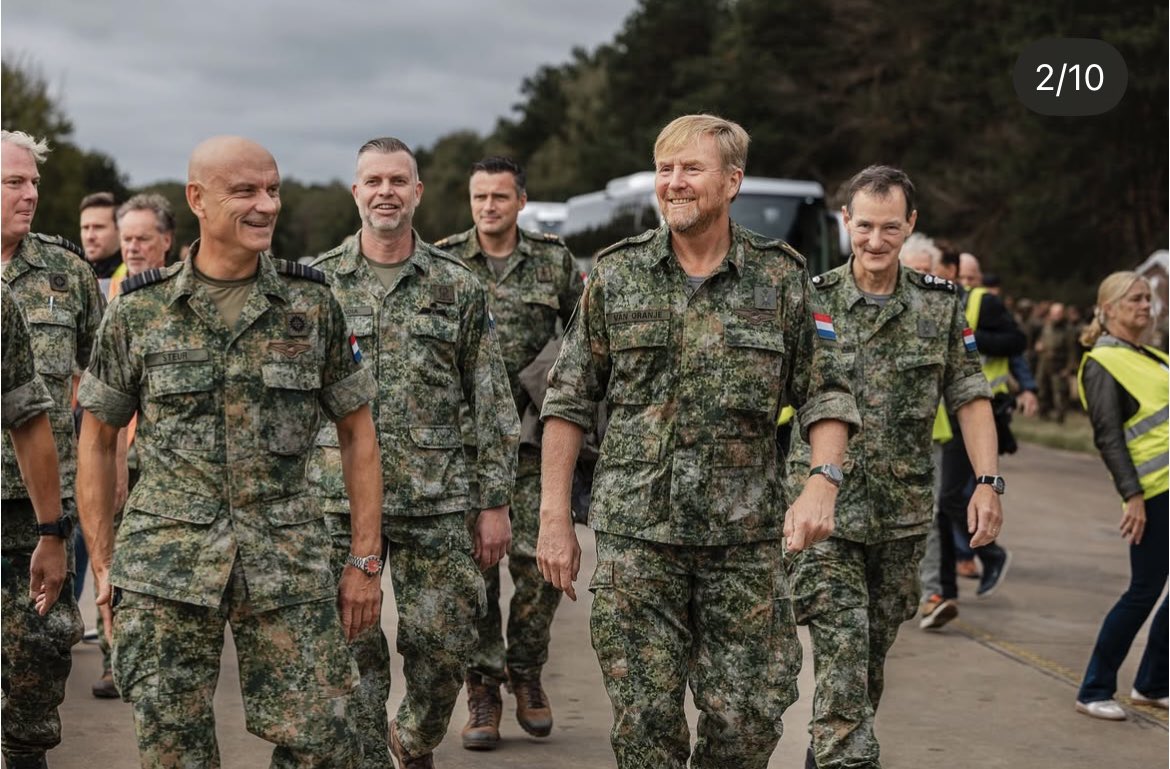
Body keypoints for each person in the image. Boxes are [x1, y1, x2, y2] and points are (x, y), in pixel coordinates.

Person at [536, 114, 859, 769]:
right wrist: (552, 517)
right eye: (665, 169)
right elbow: (569, 399)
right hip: (637, 545)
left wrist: (821, 482)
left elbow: (827, 393)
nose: (673, 183)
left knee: (748, 720)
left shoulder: (781, 278)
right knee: (646, 727)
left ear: (732, 181)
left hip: (742, 545)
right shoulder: (617, 275)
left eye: (691, 169)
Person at [76, 136, 384, 768]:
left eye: (272, 189)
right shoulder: (139, 310)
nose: (265, 205)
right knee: (172, 747)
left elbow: (358, 433)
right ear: (198, 199)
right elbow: (98, 437)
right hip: (167, 566)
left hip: (287, 559)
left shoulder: (311, 303)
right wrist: (104, 564)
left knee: (324, 740)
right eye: (244, 191)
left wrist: (364, 559)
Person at [310, 137, 520, 769]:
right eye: (373, 181)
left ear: (419, 192)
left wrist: (496, 503)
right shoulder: (317, 284)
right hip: (337, 500)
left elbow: (491, 401)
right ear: (355, 192)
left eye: (398, 181)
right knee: (351, 648)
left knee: (446, 644)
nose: (385, 192)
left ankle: (413, 737)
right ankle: (373, 755)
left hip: (436, 497)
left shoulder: (457, 285)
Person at [786, 166, 1001, 769]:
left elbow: (969, 394)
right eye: (863, 226)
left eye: (888, 228)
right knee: (843, 645)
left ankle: (827, 754)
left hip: (901, 516)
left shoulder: (939, 306)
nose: (874, 241)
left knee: (868, 664)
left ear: (910, 225)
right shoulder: (812, 299)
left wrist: (988, 483)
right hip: (823, 512)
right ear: (845, 223)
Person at [434, 156, 584, 750]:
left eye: (500, 197)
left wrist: (541, 385)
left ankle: (526, 670)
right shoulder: (444, 261)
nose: (488, 207)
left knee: (538, 566)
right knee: (474, 572)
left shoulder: (552, 260)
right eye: (479, 198)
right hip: (464, 444)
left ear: (521, 200)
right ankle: (483, 689)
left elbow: (581, 336)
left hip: (531, 437)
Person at [1, 130, 100, 769]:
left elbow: (106, 387)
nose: (31, 193)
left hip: (37, 502)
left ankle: (25, 750)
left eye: (34, 181)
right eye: (15, 182)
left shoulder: (68, 274)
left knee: (40, 649)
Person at [1073, 271, 1168, 720]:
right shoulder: (1100, 363)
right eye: (1135, 299)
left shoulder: (1151, 356)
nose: (1146, 306)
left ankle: (1152, 683)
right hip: (1152, 492)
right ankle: (1094, 688)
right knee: (1143, 590)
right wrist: (1132, 496)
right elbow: (1108, 437)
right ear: (1108, 308)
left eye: (1148, 299)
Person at [923, 250, 1024, 625]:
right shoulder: (927, 301)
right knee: (938, 507)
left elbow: (1017, 344)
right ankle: (944, 589)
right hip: (941, 415)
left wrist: (966, 336)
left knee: (948, 496)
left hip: (975, 411)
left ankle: (990, 553)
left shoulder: (982, 303)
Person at [1035, 301, 1078, 422]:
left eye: (1059, 313)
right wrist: (1039, 345)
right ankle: (1043, 414)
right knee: (1042, 388)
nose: (1056, 316)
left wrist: (1068, 369)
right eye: (1054, 313)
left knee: (1059, 392)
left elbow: (1072, 351)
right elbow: (1040, 340)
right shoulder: (1047, 327)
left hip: (1059, 364)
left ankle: (1060, 417)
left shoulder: (1068, 330)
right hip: (1044, 362)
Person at [78, 192, 126, 294]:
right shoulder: (75, 273)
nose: (89, 236)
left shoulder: (135, 272)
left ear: (121, 230)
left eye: (98, 227)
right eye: (85, 228)